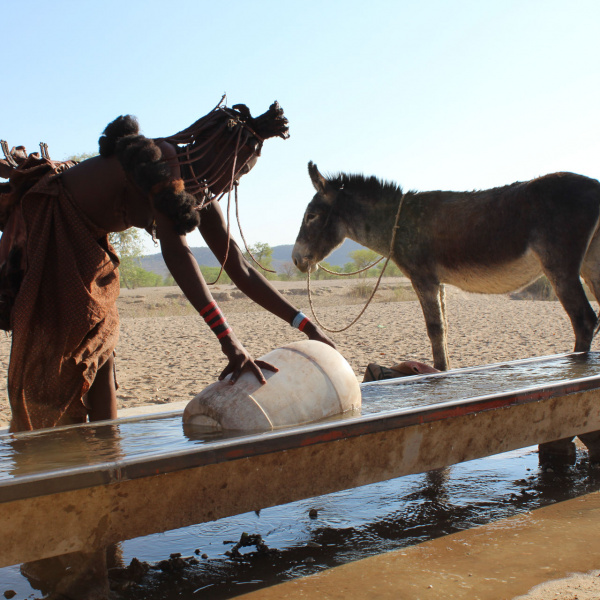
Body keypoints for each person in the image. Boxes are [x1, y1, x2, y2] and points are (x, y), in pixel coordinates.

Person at [0, 100, 334, 432]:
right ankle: (42, 457)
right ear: (218, 152)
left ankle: (109, 453)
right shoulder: (163, 163)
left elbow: (240, 269)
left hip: (85, 245)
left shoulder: (200, 193)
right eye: (240, 170)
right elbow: (178, 256)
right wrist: (229, 341)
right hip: (50, 230)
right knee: (56, 362)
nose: (235, 182)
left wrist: (306, 327)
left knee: (102, 346)